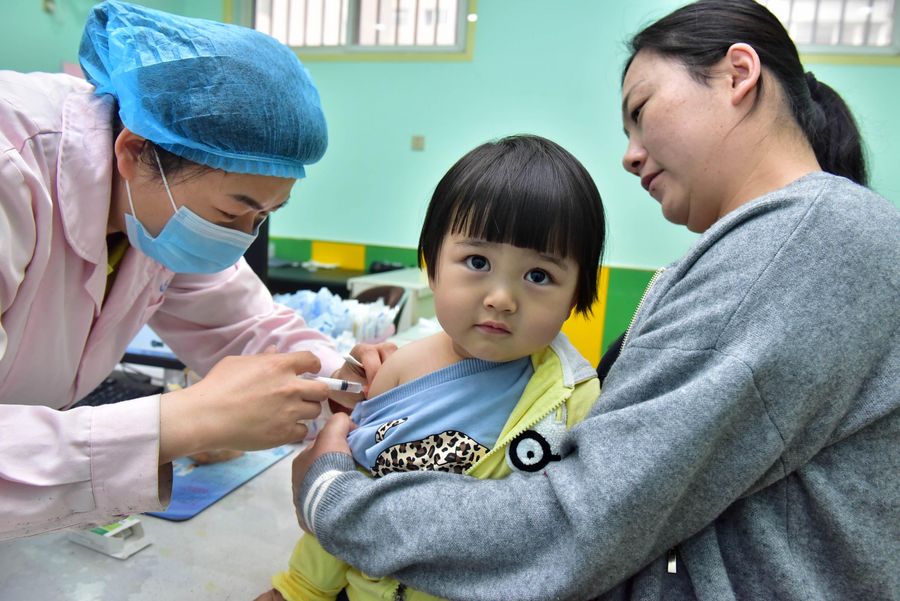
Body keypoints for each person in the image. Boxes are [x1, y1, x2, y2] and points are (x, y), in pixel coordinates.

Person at [290, 1, 900, 599]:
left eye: (641, 111)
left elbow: (580, 520)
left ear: (738, 74)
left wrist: (335, 499)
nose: (630, 155)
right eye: (475, 262)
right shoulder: (775, 244)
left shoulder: (807, 239)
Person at [0, 1, 391, 541]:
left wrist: (348, 379)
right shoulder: (12, 173)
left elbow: (242, 328)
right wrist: (179, 422)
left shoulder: (153, 208)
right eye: (231, 213)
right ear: (135, 153)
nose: (241, 238)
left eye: (264, 216)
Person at [256, 134, 606, 601]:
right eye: (477, 261)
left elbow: (570, 534)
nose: (501, 298)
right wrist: (301, 589)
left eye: (538, 276)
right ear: (432, 266)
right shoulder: (402, 367)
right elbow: (356, 485)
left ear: (576, 295)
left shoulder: (573, 398)